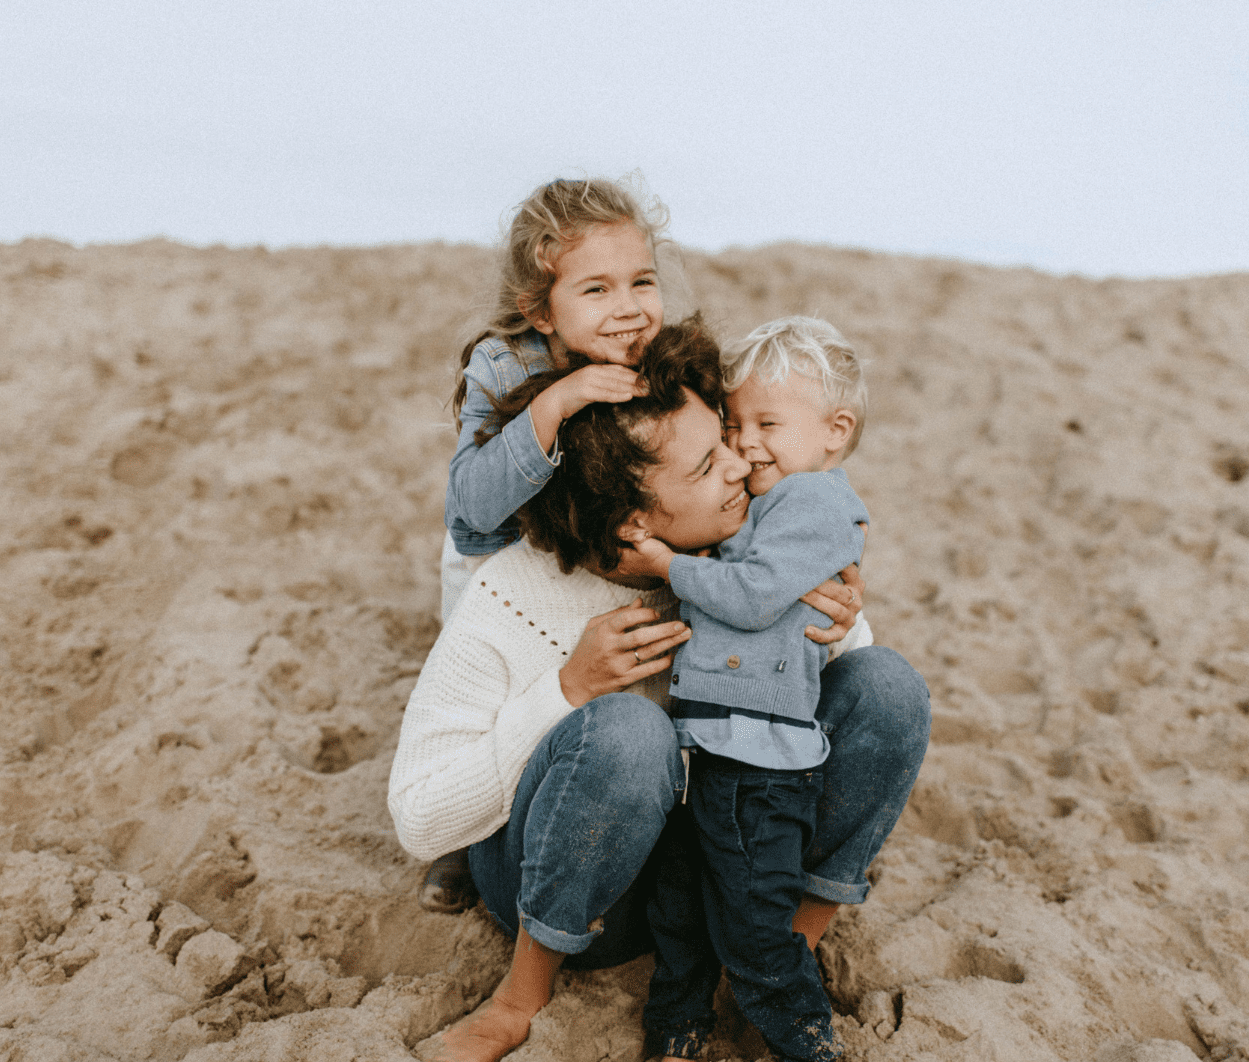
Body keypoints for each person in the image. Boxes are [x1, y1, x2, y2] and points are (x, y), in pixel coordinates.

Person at [386, 321, 930, 1062]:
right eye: (710, 462)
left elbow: (860, 709)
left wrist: (836, 622)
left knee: (890, 687)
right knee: (628, 734)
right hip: (579, 894)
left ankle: (780, 954)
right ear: (634, 520)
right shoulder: (512, 594)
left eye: (727, 437)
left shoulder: (743, 546)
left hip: (723, 870)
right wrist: (566, 691)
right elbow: (420, 822)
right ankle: (520, 996)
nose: (741, 464)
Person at [623, 316, 868, 1062]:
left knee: (755, 919)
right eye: (734, 425)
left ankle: (806, 1040)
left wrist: (666, 564)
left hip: (759, 763)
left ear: (835, 431)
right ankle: (677, 1025)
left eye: (768, 424)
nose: (746, 443)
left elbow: (757, 596)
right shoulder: (768, 503)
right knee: (680, 904)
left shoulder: (816, 503)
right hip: (711, 745)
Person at [422, 176, 669, 914]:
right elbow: (471, 515)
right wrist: (557, 402)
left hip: (586, 557)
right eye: (596, 289)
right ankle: (460, 843)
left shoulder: (657, 357)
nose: (629, 307)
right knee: (482, 687)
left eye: (643, 281)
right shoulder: (506, 365)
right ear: (540, 308)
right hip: (499, 558)